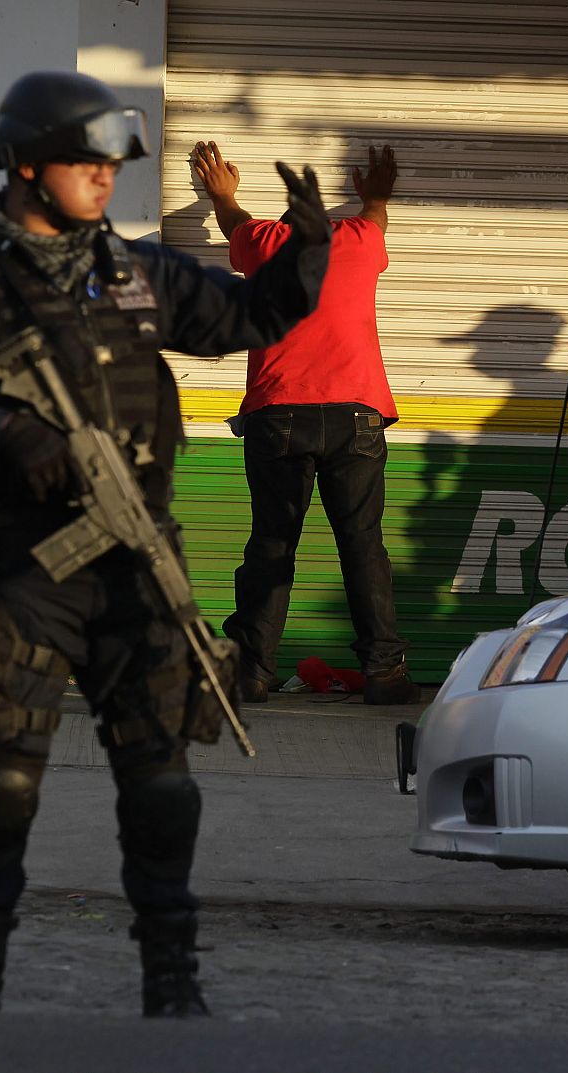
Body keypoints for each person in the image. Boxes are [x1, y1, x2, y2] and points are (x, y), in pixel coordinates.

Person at [0, 71, 331, 1017]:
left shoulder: (135, 269)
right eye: (87, 162)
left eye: (109, 164)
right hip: (22, 566)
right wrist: (8, 437)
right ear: (29, 164)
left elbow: (252, 316)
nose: (105, 179)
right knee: (5, 775)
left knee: (163, 779)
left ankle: (172, 979)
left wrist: (306, 251)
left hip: (136, 565)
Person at [191, 139, 419, 706]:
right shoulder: (361, 241)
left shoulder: (266, 244)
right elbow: (374, 215)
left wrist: (223, 193)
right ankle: (385, 673)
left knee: (272, 543)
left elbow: (234, 222)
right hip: (357, 416)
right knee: (363, 544)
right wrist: (376, 194)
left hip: (279, 415)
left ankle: (251, 672)